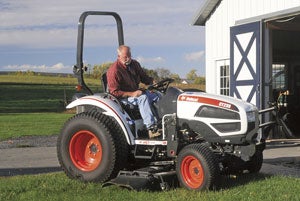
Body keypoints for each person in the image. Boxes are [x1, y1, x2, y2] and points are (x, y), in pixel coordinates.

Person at [107, 45, 161, 138]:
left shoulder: (135, 64)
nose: (128, 58)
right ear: (118, 56)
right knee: (143, 98)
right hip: (123, 98)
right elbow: (114, 92)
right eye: (125, 56)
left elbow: (144, 78)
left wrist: (153, 82)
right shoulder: (114, 70)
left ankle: (162, 122)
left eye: (129, 55)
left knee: (157, 95)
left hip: (136, 93)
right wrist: (132, 94)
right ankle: (151, 128)